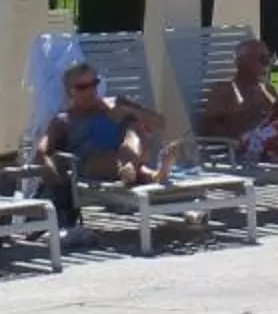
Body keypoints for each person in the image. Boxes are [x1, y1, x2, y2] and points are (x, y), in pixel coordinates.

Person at [37, 59, 177, 227]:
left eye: (94, 84)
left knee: (133, 130)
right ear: (69, 91)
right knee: (118, 157)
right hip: (93, 163)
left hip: (127, 156)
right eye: (82, 87)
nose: (90, 90)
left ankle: (136, 171)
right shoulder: (65, 120)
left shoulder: (117, 103)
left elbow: (159, 123)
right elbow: (42, 151)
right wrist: (58, 184)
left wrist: (128, 110)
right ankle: (149, 173)